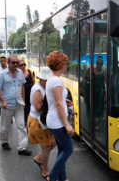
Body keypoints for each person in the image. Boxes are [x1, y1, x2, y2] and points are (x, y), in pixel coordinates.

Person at [45, 51, 74, 181]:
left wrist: (64, 101)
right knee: (68, 150)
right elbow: (58, 105)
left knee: (62, 150)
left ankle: (63, 178)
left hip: (53, 120)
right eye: (65, 63)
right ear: (61, 64)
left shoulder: (51, 78)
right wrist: (67, 125)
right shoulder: (56, 81)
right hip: (57, 122)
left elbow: (57, 101)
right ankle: (53, 176)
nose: (66, 65)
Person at [0, 55, 32, 155]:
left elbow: (23, 86)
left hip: (19, 104)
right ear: (8, 63)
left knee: (21, 126)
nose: (15, 64)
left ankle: (22, 148)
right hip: (7, 105)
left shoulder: (20, 73)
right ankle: (4, 142)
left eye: (17, 62)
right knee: (4, 127)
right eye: (13, 62)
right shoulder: (2, 74)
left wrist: (23, 100)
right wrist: (2, 101)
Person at [27, 67, 56, 179]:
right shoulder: (38, 89)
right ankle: (45, 171)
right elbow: (39, 108)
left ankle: (39, 159)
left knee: (53, 143)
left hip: (43, 120)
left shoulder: (44, 87)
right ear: (43, 79)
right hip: (38, 121)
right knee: (46, 147)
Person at [18, 59, 35, 125]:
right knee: (25, 108)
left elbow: (33, 81)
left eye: (24, 64)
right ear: (18, 66)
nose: (23, 66)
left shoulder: (29, 71)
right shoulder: (18, 73)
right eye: (21, 65)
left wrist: (35, 90)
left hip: (30, 91)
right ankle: (26, 122)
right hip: (23, 92)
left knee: (32, 106)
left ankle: (32, 120)